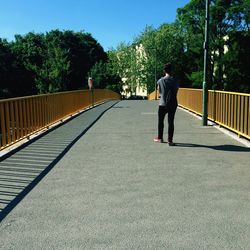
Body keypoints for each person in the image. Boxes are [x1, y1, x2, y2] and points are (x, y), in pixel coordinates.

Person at [154, 63, 179, 145]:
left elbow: (160, 92)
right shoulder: (175, 80)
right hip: (172, 103)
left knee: (160, 121)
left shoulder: (160, 80)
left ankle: (160, 138)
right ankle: (170, 140)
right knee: (171, 122)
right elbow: (176, 91)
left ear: (164, 71)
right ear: (172, 70)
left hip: (162, 103)